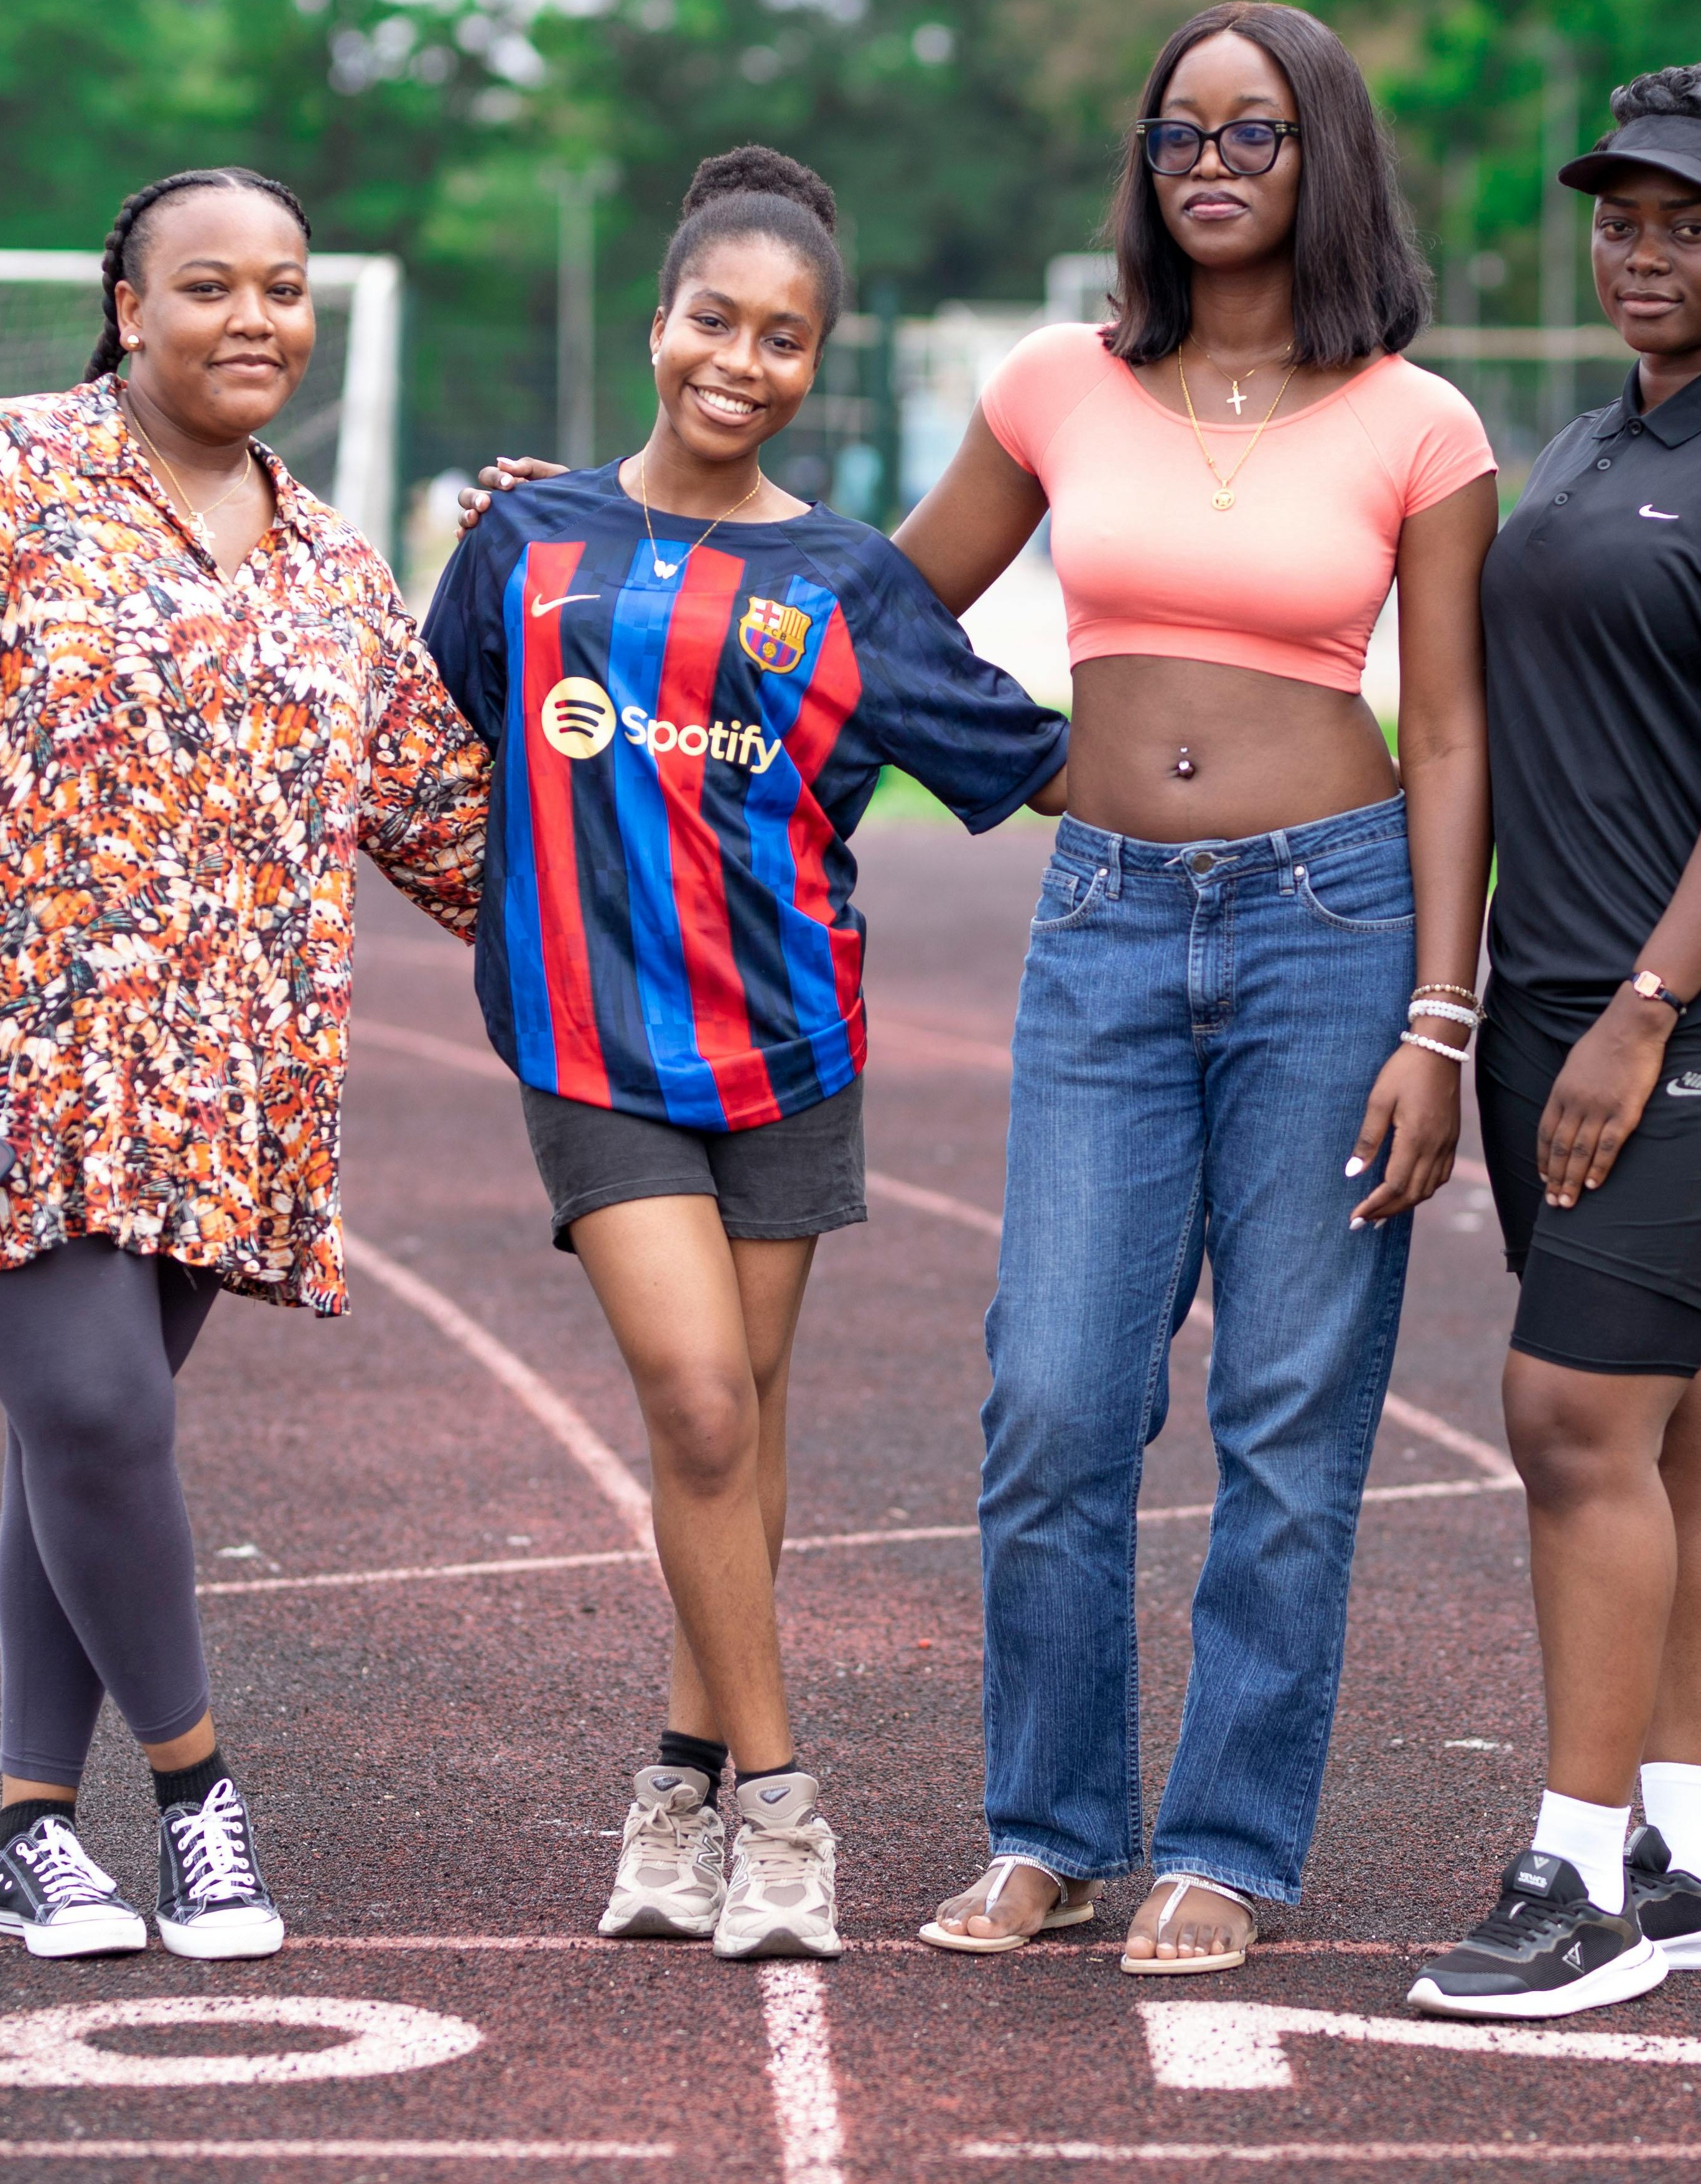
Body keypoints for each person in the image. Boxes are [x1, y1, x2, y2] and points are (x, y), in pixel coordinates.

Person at [473, 4, 1494, 1971]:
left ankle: (1229, 1845)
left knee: (1287, 1415)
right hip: (1105, 922)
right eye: (1180, 128)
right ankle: (1054, 1828)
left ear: (1321, 157)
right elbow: (853, 606)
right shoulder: (1056, 385)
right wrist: (613, 529)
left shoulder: (1418, 423)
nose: (1212, 159)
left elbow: (1448, 736)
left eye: (1256, 132)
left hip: (1333, 928)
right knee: (1050, 1401)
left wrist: (1439, 1020)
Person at [0, 167, 488, 1962]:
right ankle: (201, 1798)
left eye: (283, 286)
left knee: (79, 1436)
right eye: (209, 285)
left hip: (214, 1084)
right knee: (103, 1410)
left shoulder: (336, 559)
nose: (253, 317)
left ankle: (32, 1828)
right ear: (128, 307)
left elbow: (451, 827)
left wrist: (566, 599)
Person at [419, 147, 1068, 1962]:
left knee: (745, 1431)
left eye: (784, 338)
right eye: (716, 320)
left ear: (813, 365)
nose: (742, 360)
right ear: (657, 326)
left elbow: (1025, 758)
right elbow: (451, 738)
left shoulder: (851, 584)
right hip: (585, 1044)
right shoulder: (523, 538)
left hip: (787, 1042)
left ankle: (676, 1781)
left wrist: (1265, 757)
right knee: (700, 1402)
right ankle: (785, 1812)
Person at [1403, 63, 1701, 2022]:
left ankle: (1576, 1880)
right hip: (1555, 1003)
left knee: (1568, 1419)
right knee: (1672, 1416)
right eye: (1619, 217)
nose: (1644, 251)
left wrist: (1636, 1010)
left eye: (1690, 222)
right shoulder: (1602, 442)